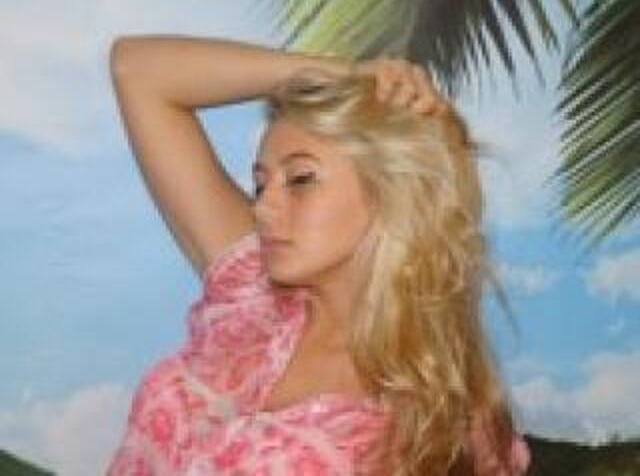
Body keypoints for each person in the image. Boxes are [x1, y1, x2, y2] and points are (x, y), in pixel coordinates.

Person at [106, 35, 531, 475]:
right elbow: (138, 70)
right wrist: (343, 75)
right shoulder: (251, 296)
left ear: (390, 191)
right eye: (261, 184)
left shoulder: (443, 421)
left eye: (300, 179)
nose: (263, 208)